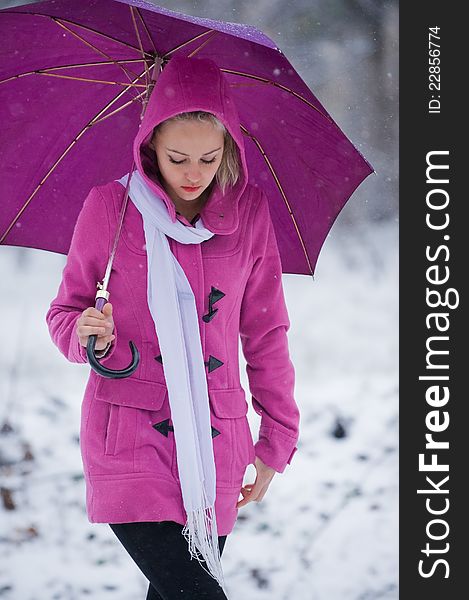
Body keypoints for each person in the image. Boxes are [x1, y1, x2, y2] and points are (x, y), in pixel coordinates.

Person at [46, 55, 300, 599]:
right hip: (128, 435)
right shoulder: (111, 208)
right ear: (150, 148)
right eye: (177, 157)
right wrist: (86, 332)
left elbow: (266, 333)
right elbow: (64, 311)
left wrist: (276, 438)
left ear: (228, 149)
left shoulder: (251, 214)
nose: (192, 173)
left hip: (216, 441)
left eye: (209, 158)